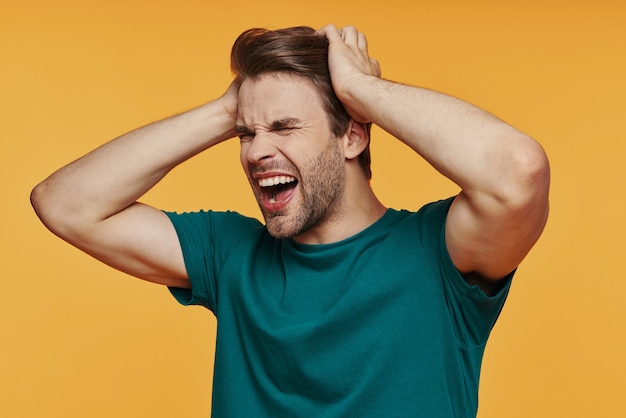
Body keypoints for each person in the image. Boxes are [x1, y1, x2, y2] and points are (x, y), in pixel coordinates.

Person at [31, 24, 550, 417]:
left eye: (283, 127)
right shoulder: (229, 253)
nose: (257, 151)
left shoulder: (439, 254)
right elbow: (65, 204)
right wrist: (227, 110)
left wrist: (363, 92)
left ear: (352, 136)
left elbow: (520, 172)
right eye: (246, 134)